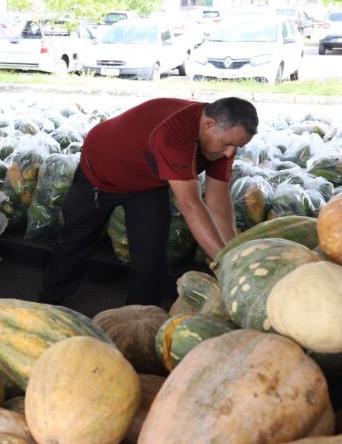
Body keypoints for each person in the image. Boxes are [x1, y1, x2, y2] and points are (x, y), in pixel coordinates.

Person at [40, 96, 258, 306]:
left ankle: (142, 315)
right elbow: (191, 205)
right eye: (228, 143)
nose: (231, 153)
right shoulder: (174, 133)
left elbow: (218, 200)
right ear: (210, 124)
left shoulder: (221, 144)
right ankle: (49, 302)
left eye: (237, 146)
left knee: (151, 254)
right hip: (101, 175)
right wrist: (224, 263)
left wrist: (232, 252)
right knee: (75, 240)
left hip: (148, 185)